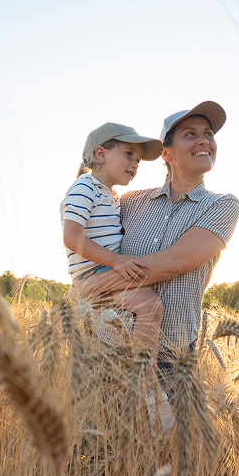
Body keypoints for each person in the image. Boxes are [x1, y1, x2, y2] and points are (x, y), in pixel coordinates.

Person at [76, 101, 239, 393]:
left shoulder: (222, 205)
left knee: (164, 438)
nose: (204, 140)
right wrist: (80, 280)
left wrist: (90, 287)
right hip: (107, 344)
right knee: (100, 436)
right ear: (166, 154)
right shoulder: (127, 201)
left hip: (171, 359)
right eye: (190, 134)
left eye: (209, 134)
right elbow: (88, 237)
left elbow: (174, 262)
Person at [60, 122, 165, 356]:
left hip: (102, 272)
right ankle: (142, 383)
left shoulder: (112, 196)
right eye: (129, 154)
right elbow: (71, 236)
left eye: (138, 160)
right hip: (94, 273)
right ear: (100, 153)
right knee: (150, 305)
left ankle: (131, 377)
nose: (135, 164)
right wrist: (116, 261)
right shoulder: (85, 187)